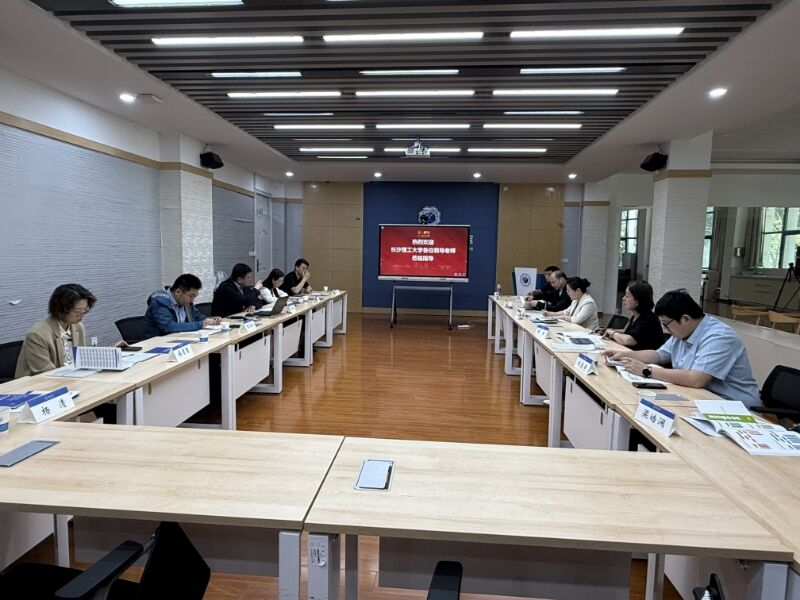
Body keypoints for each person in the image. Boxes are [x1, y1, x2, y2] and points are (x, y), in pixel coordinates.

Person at [606, 289, 760, 407]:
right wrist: (624, 355)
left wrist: (647, 370)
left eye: (666, 324)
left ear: (686, 319)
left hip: (732, 405)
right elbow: (659, 355)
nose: (665, 329)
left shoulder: (718, 337)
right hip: (699, 398)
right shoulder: (683, 332)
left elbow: (696, 379)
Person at [16, 284, 96, 377]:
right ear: (60, 309)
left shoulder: (78, 327)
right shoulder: (37, 335)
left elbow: (81, 360)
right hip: (40, 382)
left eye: (85, 311)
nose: (82, 316)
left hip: (72, 377)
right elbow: (46, 373)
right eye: (77, 312)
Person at [144, 274, 220, 339]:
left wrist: (209, 320)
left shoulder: (185, 302)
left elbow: (198, 317)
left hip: (180, 339)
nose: (192, 300)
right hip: (157, 344)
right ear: (178, 292)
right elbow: (168, 326)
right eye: (191, 296)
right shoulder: (159, 302)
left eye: (194, 297)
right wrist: (201, 324)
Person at [602, 280, 664, 350]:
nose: (623, 298)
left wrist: (612, 333)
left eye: (627, 296)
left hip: (643, 356)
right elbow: (628, 332)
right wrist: (607, 331)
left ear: (639, 300)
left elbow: (628, 340)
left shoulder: (649, 320)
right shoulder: (636, 315)